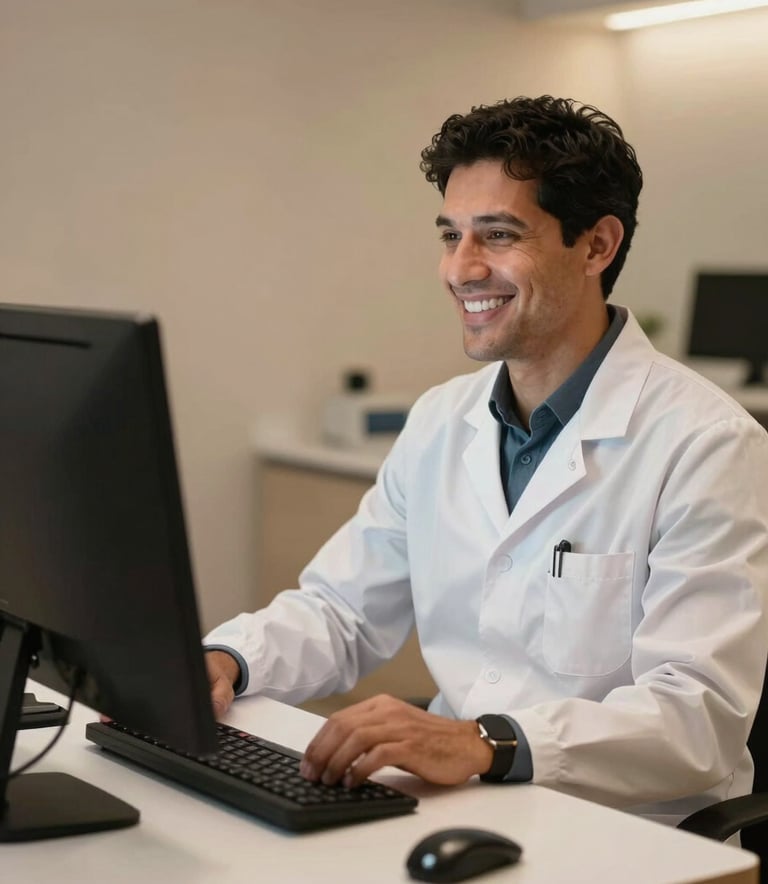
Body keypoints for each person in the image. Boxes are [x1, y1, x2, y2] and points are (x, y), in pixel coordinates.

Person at [204, 95, 768, 824]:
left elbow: (696, 719)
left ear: (597, 246)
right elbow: (343, 611)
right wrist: (227, 661)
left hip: (629, 832)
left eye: (498, 235)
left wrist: (487, 741)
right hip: (461, 806)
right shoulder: (443, 419)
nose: (462, 269)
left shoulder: (707, 443)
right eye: (451, 236)